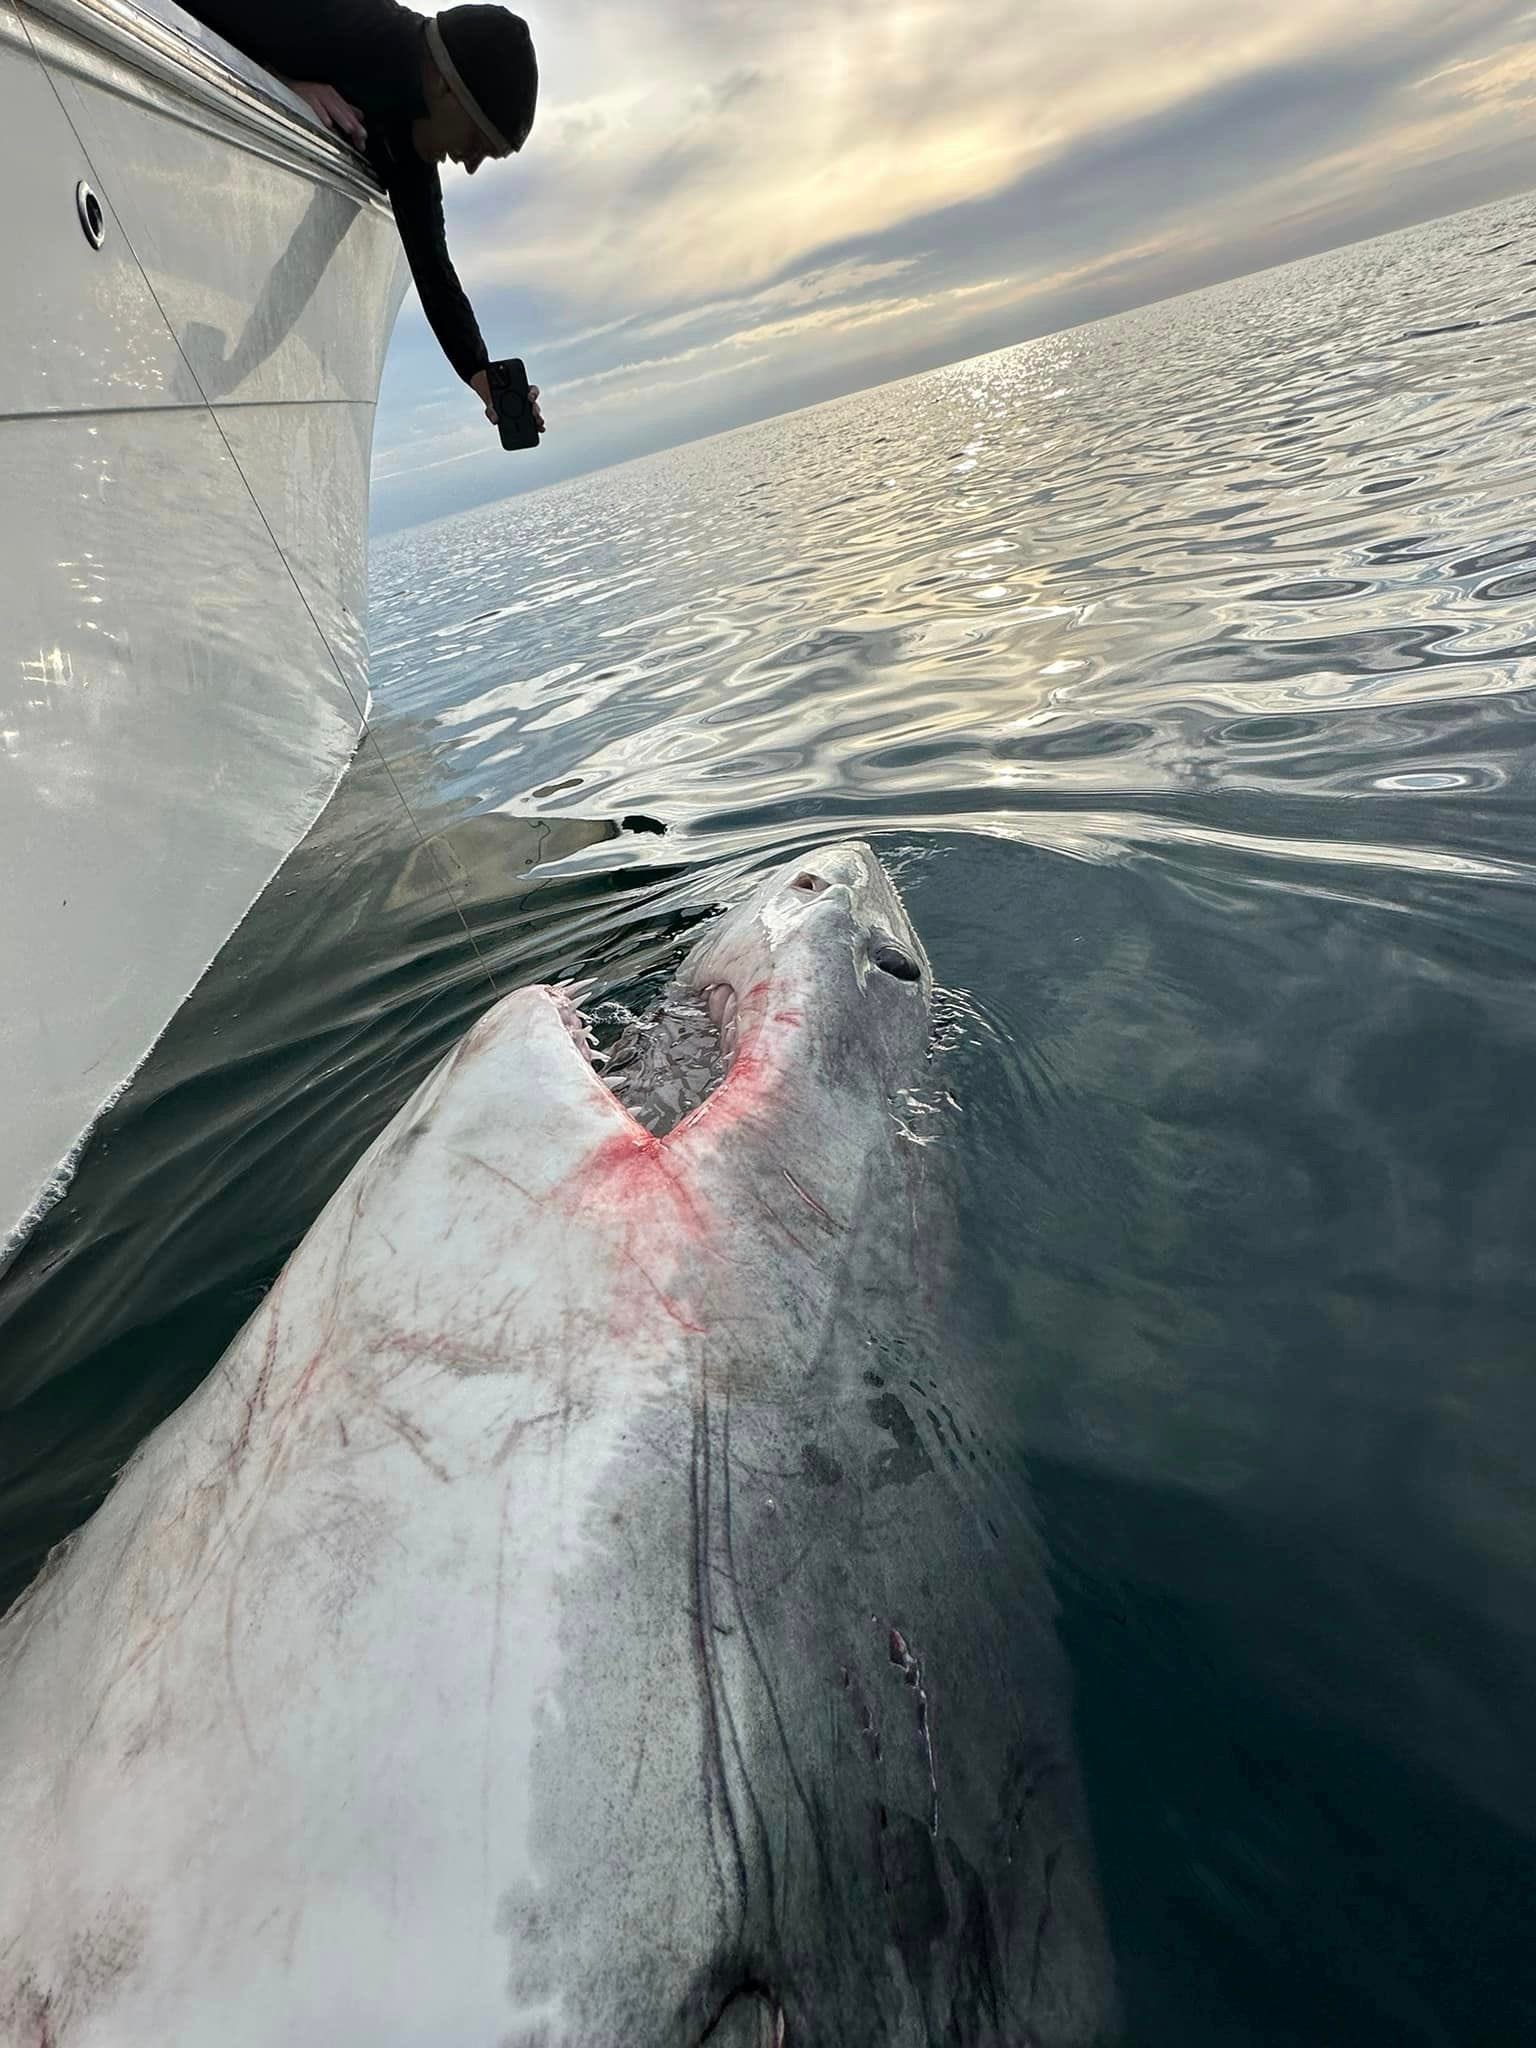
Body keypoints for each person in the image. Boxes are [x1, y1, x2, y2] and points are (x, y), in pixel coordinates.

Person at [181, 0, 543, 434]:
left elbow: (433, 270)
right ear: (448, 87)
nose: (469, 164)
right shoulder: (345, 17)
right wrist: (273, 78)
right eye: (477, 140)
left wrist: (480, 375)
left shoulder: (410, 146)